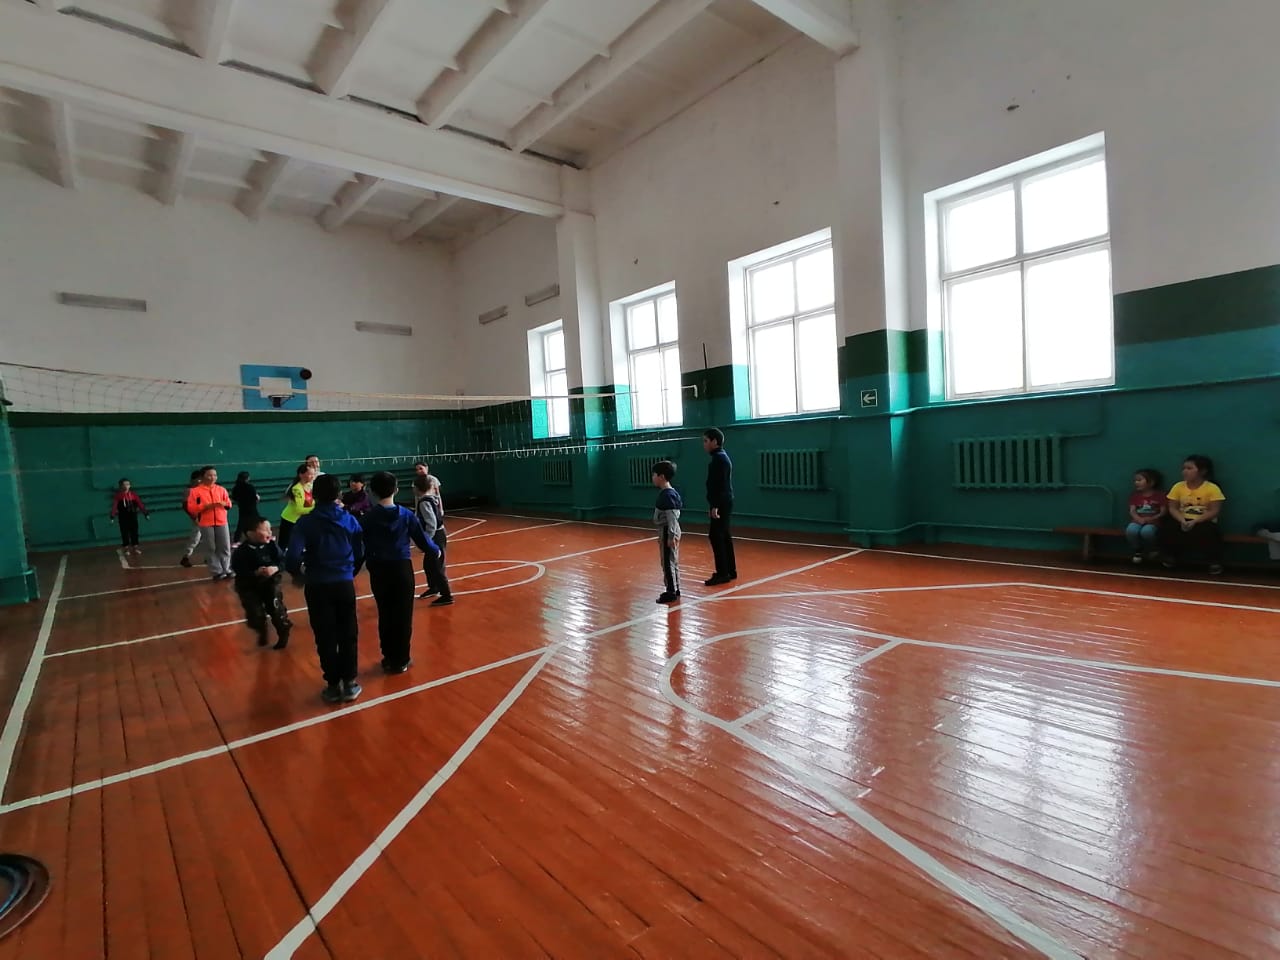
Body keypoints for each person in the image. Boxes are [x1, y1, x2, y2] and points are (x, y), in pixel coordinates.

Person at [286, 473, 365, 704]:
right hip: (343, 584)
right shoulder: (349, 520)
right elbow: (360, 552)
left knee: (324, 634)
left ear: (314, 495)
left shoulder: (305, 523)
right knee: (348, 633)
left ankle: (332, 684)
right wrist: (350, 572)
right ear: (339, 494)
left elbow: (292, 557)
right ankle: (349, 682)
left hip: (317, 584)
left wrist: (298, 574)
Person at [360, 471, 440, 674]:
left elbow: (360, 547)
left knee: (385, 613)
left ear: (373, 492)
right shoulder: (406, 515)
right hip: (401, 569)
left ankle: (388, 656)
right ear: (396, 490)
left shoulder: (368, 518)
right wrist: (435, 550)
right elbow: (422, 540)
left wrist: (352, 568)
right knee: (403, 615)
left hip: (379, 570)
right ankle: (401, 659)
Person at [230, 517, 292, 649]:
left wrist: (275, 568)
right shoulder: (241, 552)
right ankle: (261, 628)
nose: (270, 532)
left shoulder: (271, 546)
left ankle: (283, 631)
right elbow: (238, 570)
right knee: (255, 614)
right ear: (250, 533)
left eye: (270, 529)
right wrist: (255, 573)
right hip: (249, 585)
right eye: (265, 530)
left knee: (276, 610)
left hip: (270, 583)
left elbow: (283, 561)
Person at [1162, 454, 1227, 574]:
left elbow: (1214, 511)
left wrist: (1195, 521)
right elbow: (1173, 508)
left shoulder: (1212, 488)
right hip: (1182, 519)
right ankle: (1170, 557)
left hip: (1203, 520)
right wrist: (1182, 520)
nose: (1185, 471)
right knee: (1168, 527)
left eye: (1189, 468)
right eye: (1184, 468)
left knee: (1210, 532)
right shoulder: (1178, 486)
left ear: (1202, 471)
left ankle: (1214, 562)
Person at [186, 465, 233, 580]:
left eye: (215, 475)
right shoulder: (195, 491)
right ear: (202, 477)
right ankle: (217, 571)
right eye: (209, 475)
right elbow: (191, 508)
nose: (213, 477)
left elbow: (229, 504)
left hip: (222, 521)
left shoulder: (221, 489)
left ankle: (226, 569)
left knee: (225, 546)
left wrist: (224, 504)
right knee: (211, 547)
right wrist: (205, 506)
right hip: (206, 522)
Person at [703, 427, 736, 586]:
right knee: (724, 535)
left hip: (721, 502)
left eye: (706, 441)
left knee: (716, 536)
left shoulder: (719, 460)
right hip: (724, 501)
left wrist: (715, 505)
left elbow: (719, 485)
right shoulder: (721, 457)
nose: (704, 444)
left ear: (714, 441)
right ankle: (730, 570)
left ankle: (723, 573)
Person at [413, 475, 453, 605]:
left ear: (418, 488)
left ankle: (447, 595)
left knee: (437, 566)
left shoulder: (424, 502)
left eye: (414, 487)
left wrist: (426, 541)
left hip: (436, 535)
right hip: (437, 534)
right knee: (428, 564)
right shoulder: (431, 499)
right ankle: (434, 587)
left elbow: (432, 524)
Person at [652, 460, 683, 604]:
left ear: (662, 476)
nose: (653, 478)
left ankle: (671, 591)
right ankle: (675, 588)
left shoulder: (667, 495)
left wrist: (671, 536)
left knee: (667, 562)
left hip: (667, 531)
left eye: (654, 475)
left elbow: (671, 517)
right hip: (668, 530)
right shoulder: (669, 493)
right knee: (672, 560)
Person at [1125, 468, 1166, 564]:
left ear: (1151, 482)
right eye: (1135, 480)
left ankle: (1154, 549)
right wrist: (1138, 519)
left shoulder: (1159, 496)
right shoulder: (1135, 496)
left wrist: (1152, 518)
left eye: (1139, 480)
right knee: (1131, 530)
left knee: (1147, 532)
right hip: (1137, 521)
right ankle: (1137, 550)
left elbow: (1163, 512)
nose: (1136, 483)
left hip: (1153, 522)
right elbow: (1132, 511)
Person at [278, 463, 316, 550]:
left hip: (302, 520)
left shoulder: (310, 485)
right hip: (290, 520)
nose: (312, 477)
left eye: (313, 474)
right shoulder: (296, 489)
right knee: (284, 545)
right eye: (310, 474)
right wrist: (316, 508)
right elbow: (299, 509)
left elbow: (312, 502)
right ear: (301, 475)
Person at [109, 478, 149, 555]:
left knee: (134, 531)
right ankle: (126, 548)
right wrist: (112, 516)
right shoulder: (118, 496)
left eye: (127, 484)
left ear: (130, 485)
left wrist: (146, 513)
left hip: (133, 515)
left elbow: (140, 504)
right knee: (124, 532)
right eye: (124, 484)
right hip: (123, 517)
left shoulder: (133, 495)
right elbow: (114, 506)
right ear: (121, 486)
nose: (126, 486)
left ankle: (135, 547)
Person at [179, 469, 203, 568]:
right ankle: (186, 557)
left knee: (210, 537)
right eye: (199, 479)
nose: (201, 481)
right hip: (197, 517)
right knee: (195, 538)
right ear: (194, 479)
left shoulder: (201, 489)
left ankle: (210, 557)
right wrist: (194, 517)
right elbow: (185, 506)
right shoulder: (189, 490)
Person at [230, 471, 261, 543]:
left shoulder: (236, 487)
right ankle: (260, 537)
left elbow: (234, 498)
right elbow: (255, 498)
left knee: (241, 525)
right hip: (252, 508)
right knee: (258, 522)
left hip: (242, 509)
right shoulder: (250, 487)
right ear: (247, 478)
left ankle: (236, 540)